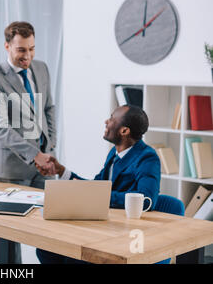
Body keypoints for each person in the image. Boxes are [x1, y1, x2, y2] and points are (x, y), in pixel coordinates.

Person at [35, 105, 161, 264]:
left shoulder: (147, 157)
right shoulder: (113, 154)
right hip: (104, 226)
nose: (106, 122)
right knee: (46, 250)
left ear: (124, 131)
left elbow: (147, 199)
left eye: (112, 119)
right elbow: (95, 186)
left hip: (125, 235)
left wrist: (101, 196)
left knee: (73, 258)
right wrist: (62, 171)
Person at [0, 21, 57, 190]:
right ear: (7, 46)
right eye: (21, 50)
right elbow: (0, 127)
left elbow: (48, 108)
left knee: (49, 214)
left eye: (31, 49)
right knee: (15, 217)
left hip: (46, 164)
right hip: (13, 170)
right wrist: (34, 155)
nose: (28, 55)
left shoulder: (41, 68)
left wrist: (51, 144)